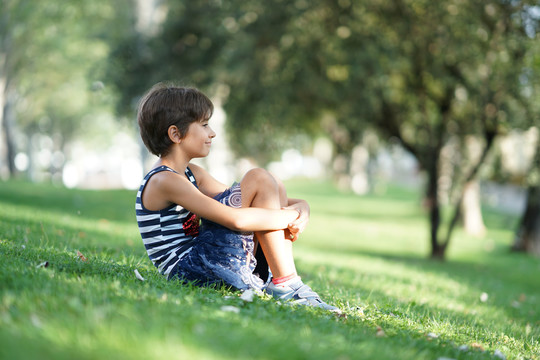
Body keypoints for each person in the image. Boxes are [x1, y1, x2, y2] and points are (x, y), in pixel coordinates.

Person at [135, 82, 339, 312]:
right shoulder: (164, 180)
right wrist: (291, 216)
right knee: (259, 177)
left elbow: (253, 196)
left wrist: (303, 206)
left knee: (270, 182)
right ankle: (286, 284)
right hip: (191, 269)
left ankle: (282, 281)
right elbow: (235, 220)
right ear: (175, 134)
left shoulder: (192, 173)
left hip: (206, 257)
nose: (211, 132)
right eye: (203, 125)